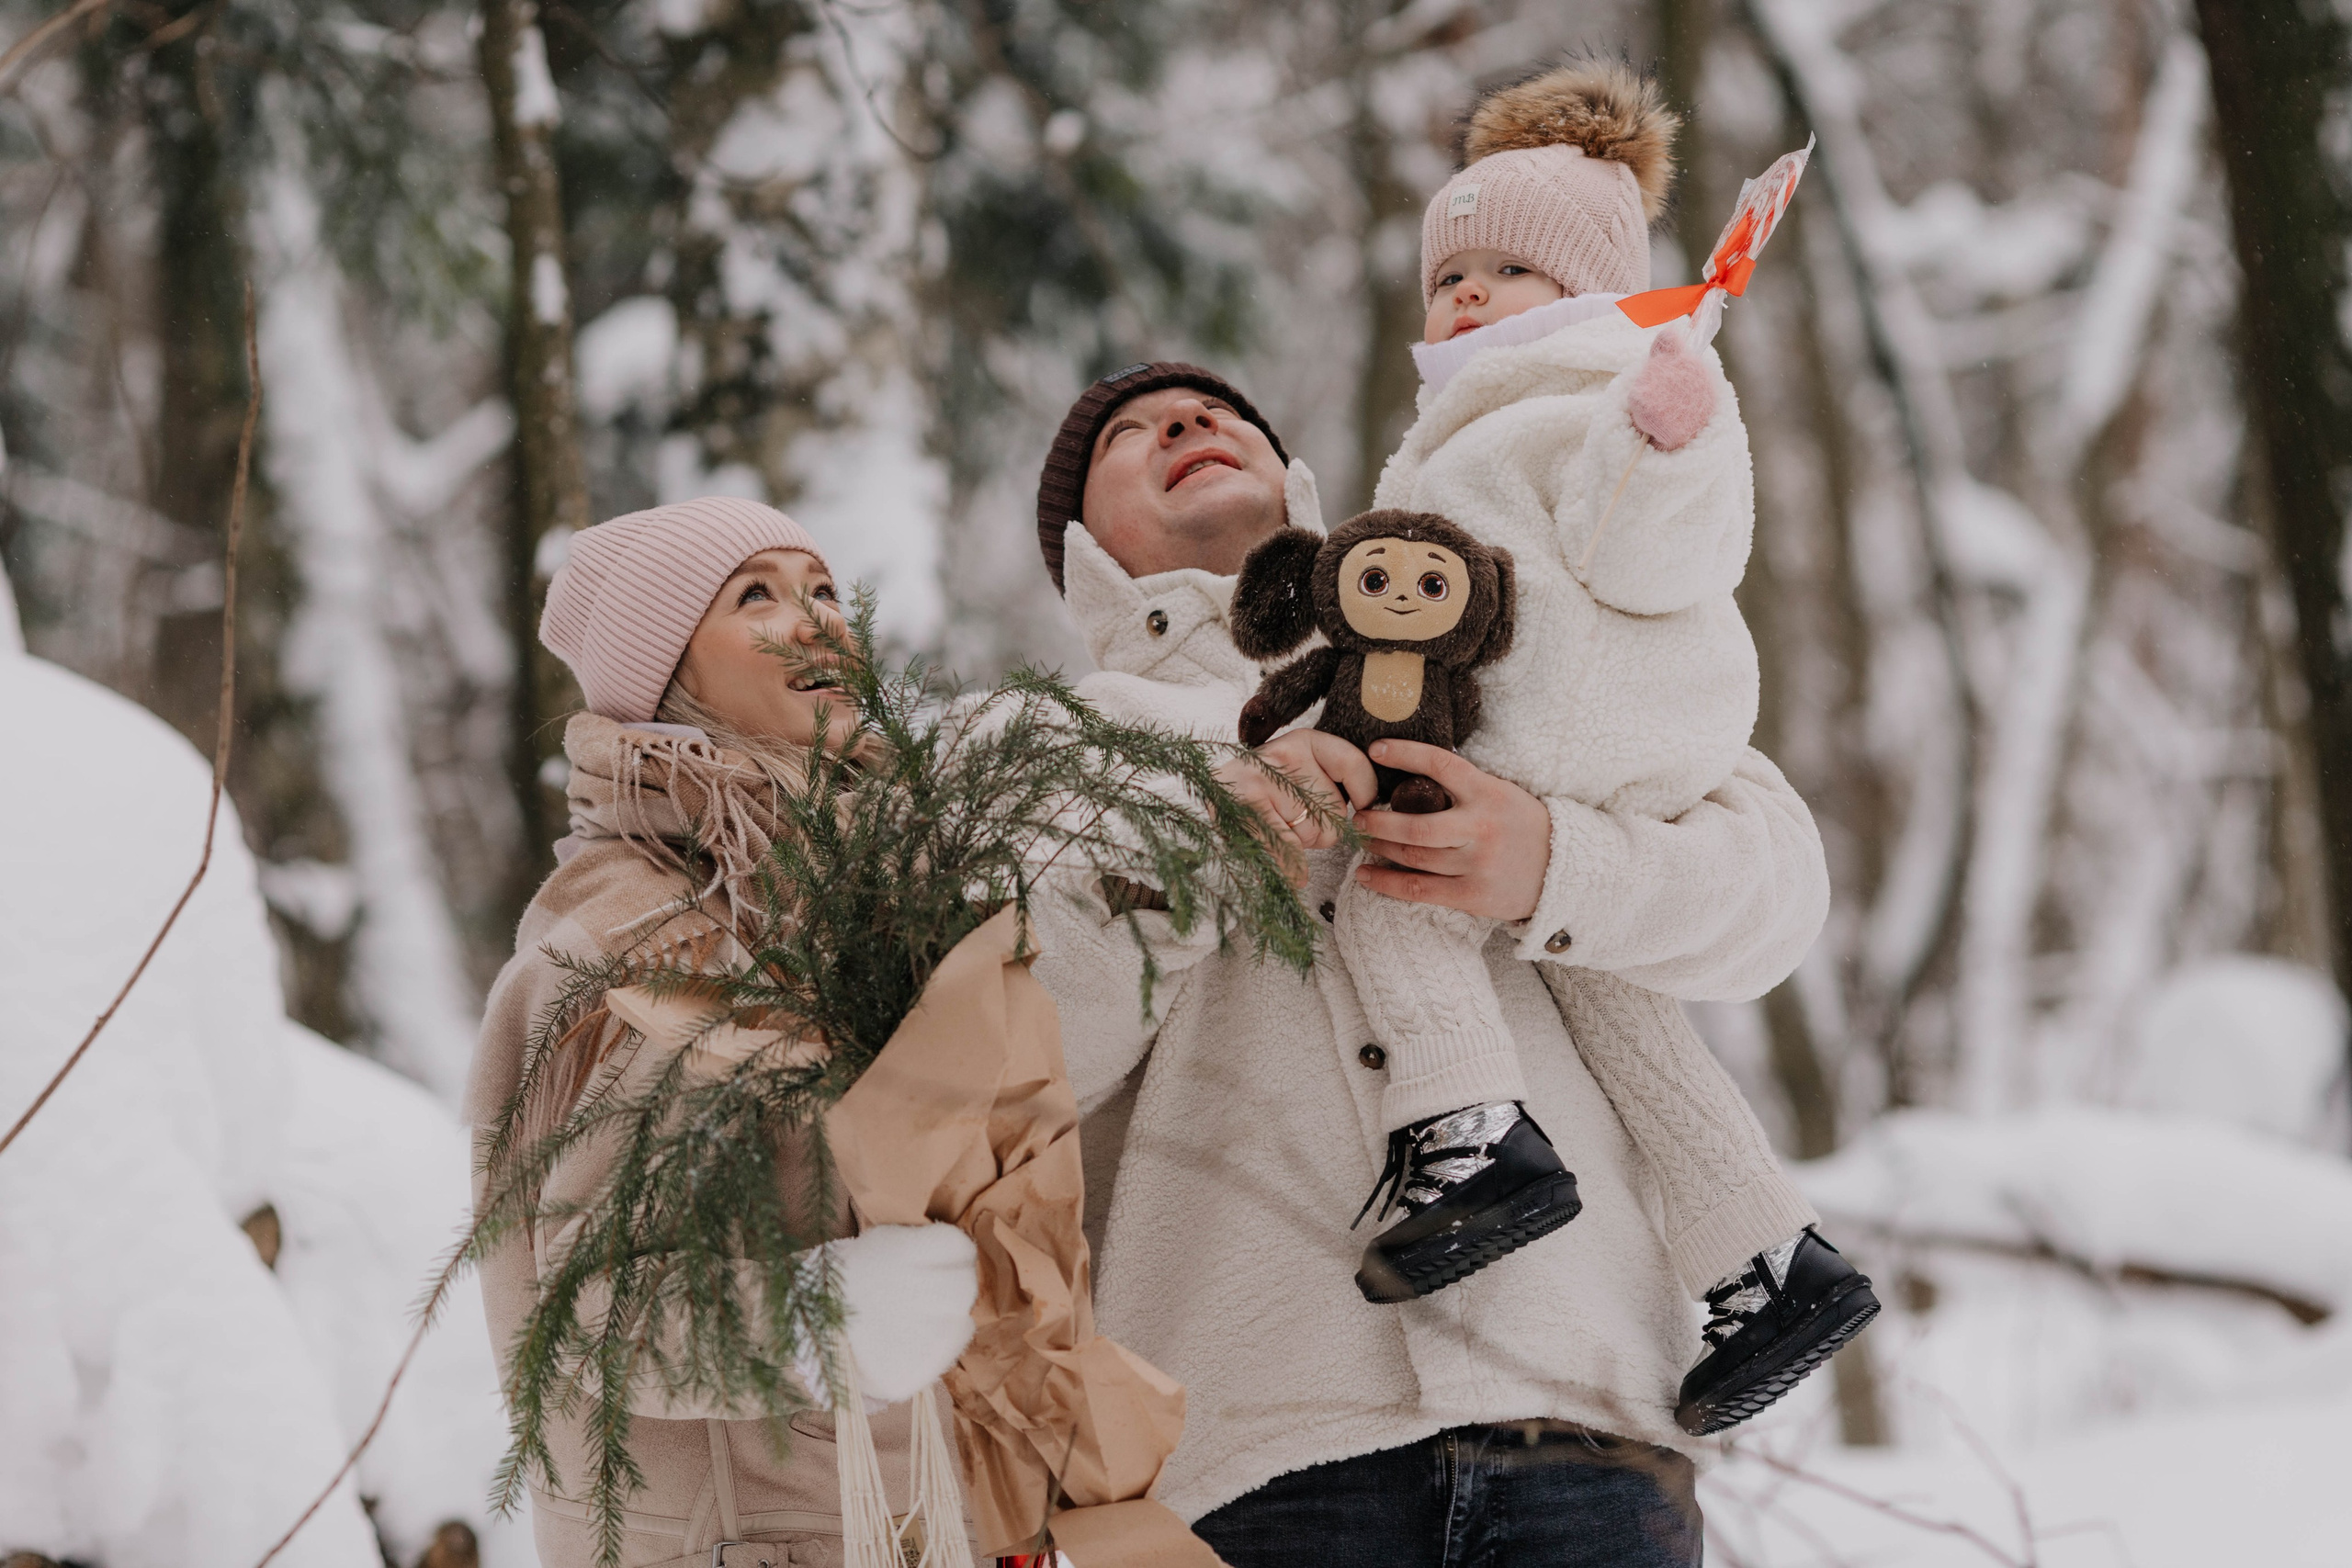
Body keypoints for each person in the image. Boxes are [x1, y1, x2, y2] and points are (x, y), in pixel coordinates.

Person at [1023, 349, 1832, 1563]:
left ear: (1296, 484)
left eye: (1215, 408)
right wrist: (1199, 850)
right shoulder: (1051, 751)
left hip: (1590, 1418)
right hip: (1258, 1460)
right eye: (1127, 434)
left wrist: (1553, 862)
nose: (1184, 419)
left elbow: (1774, 889)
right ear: (1082, 556)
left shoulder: (1496, 643)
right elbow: (1024, 1055)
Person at [1235, 57, 1880, 1418]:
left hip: (1571, 718)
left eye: (1506, 272)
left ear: (1587, 289)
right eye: (1447, 276)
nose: (1466, 295)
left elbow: (1654, 541)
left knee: (1396, 898)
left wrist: (1668, 435)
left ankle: (1471, 1134)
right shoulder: (1478, 416)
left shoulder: (1590, 388)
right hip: (1574, 734)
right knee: (1617, 995)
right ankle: (1764, 1248)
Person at [467, 497, 982, 1568]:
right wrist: (814, 1320)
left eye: (825, 590)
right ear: (664, 676)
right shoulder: (632, 925)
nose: (817, 620)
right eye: (757, 596)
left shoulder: (875, 896)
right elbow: (579, 1314)